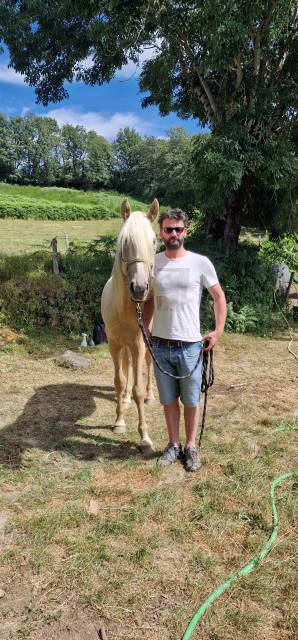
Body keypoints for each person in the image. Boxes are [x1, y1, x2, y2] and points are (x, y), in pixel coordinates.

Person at [143, 208, 227, 472]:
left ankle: (190, 447)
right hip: (161, 345)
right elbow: (148, 301)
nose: (174, 234)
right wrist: (145, 329)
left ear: (185, 232)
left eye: (178, 229)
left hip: (191, 346)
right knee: (168, 400)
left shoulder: (200, 263)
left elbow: (219, 297)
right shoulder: (153, 263)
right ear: (161, 233)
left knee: (191, 400)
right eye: (169, 229)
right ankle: (173, 444)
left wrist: (218, 331)